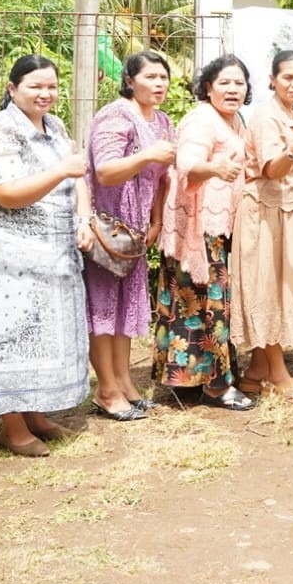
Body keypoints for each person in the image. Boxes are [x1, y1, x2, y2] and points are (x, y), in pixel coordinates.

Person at [0, 55, 92, 455]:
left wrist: (84, 219)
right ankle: (13, 426)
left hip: (55, 252)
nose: (45, 94)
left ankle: (35, 415)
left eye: (51, 86)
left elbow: (78, 176)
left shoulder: (55, 126)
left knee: (41, 338)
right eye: (35, 86)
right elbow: (7, 193)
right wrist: (61, 171)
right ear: (12, 88)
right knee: (10, 340)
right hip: (10, 254)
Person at [156, 54, 256, 411]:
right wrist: (213, 168)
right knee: (209, 305)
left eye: (239, 83)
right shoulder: (201, 119)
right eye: (224, 82)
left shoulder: (234, 120)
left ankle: (188, 382)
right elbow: (187, 163)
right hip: (199, 232)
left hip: (220, 228)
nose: (233, 89)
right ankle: (216, 387)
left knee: (197, 305)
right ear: (208, 87)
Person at [84, 51, 175, 420]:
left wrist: (156, 222)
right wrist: (148, 154)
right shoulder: (115, 116)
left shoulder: (162, 120)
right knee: (103, 309)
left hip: (136, 232)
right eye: (150, 77)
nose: (159, 83)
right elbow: (105, 171)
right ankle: (105, 389)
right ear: (129, 80)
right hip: (108, 230)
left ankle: (124, 382)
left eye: (163, 77)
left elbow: (162, 179)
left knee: (123, 311)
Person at [232, 51, 293, 402]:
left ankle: (256, 372)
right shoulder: (267, 116)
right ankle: (280, 377)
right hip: (266, 214)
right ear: (272, 80)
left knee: (280, 291)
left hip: (290, 210)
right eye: (288, 78)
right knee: (267, 292)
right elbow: (271, 169)